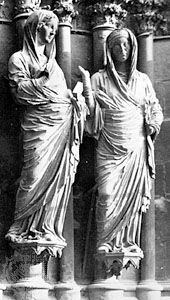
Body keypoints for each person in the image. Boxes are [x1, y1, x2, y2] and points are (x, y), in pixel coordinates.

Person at [5, 9, 88, 257]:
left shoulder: (54, 65)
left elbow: (61, 95)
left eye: (54, 27)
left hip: (60, 127)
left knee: (58, 180)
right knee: (33, 174)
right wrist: (41, 81)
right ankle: (21, 227)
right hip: (38, 128)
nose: (52, 31)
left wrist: (76, 100)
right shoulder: (18, 59)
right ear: (35, 27)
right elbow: (20, 93)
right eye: (48, 26)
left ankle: (46, 227)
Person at [79, 28, 163, 256]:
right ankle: (106, 241)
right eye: (117, 46)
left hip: (136, 145)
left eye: (126, 45)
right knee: (106, 193)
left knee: (132, 198)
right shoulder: (99, 79)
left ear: (133, 48)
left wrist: (153, 124)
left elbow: (155, 108)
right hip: (108, 145)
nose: (122, 50)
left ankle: (127, 243)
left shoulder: (142, 80)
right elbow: (90, 114)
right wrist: (87, 89)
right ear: (109, 49)